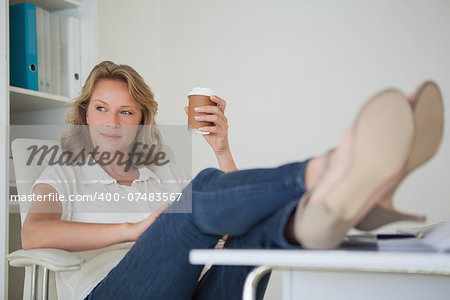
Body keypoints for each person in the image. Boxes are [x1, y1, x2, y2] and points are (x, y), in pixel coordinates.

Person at [20, 61, 444, 300]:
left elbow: (229, 217)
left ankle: (320, 215)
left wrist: (222, 148)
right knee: (199, 191)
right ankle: (325, 171)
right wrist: (136, 229)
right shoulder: (63, 170)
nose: (112, 122)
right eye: (100, 108)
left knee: (255, 233)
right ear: (83, 116)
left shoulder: (161, 171)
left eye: (126, 112)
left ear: (141, 121)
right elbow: (34, 233)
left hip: (188, 293)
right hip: (110, 294)